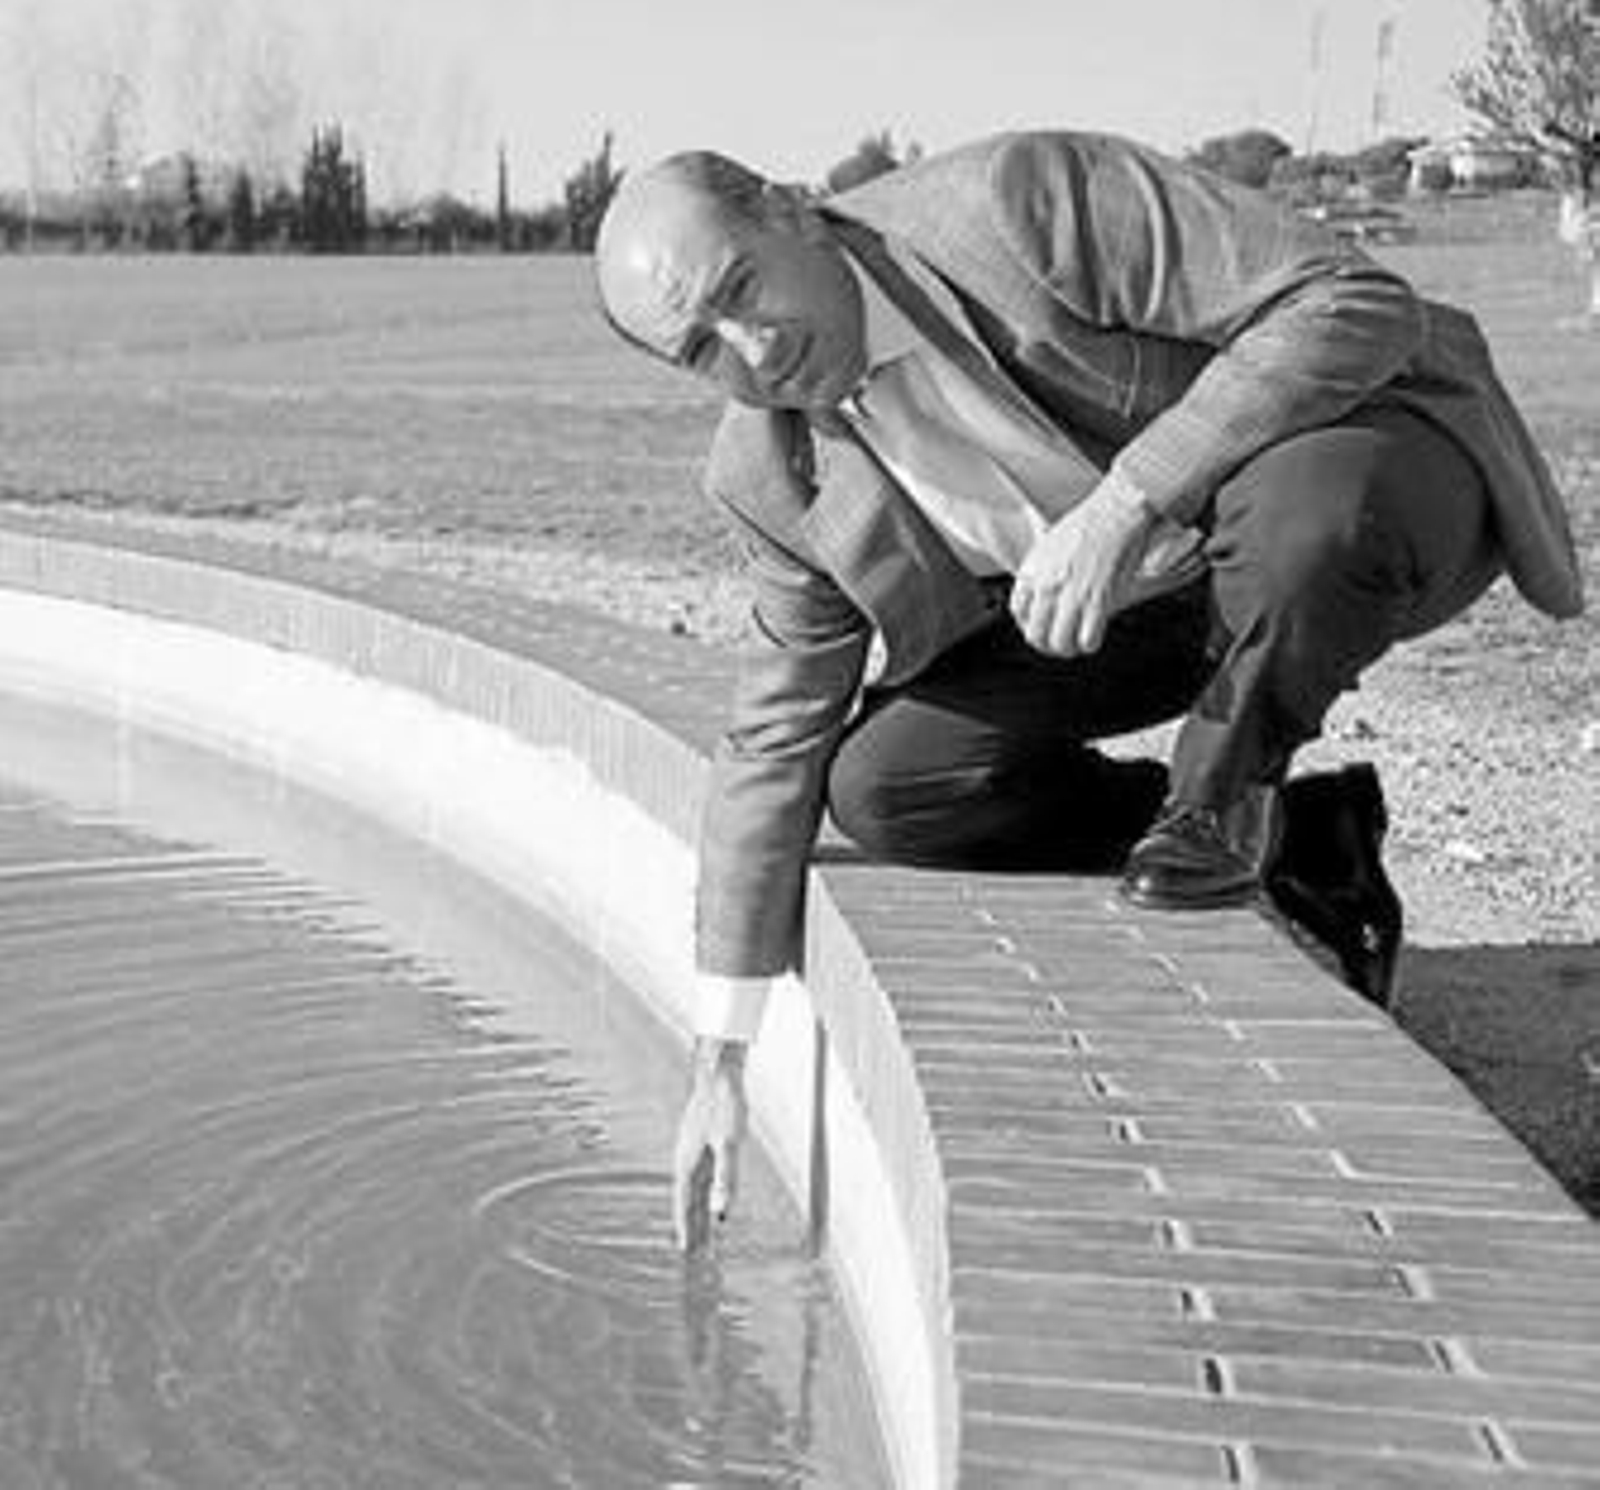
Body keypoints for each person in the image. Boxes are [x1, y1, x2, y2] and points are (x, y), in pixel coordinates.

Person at [593, 129, 1584, 1248]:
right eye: (701, 348)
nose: (753, 350)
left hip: (1356, 459)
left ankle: (1220, 803)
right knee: (891, 784)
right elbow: (773, 733)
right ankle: (1305, 837)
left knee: (1309, 512)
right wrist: (719, 1060)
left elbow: (1352, 302)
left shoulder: (1018, 207)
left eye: (739, 287)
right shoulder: (766, 470)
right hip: (1134, 607)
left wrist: (1128, 502)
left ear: (786, 206)